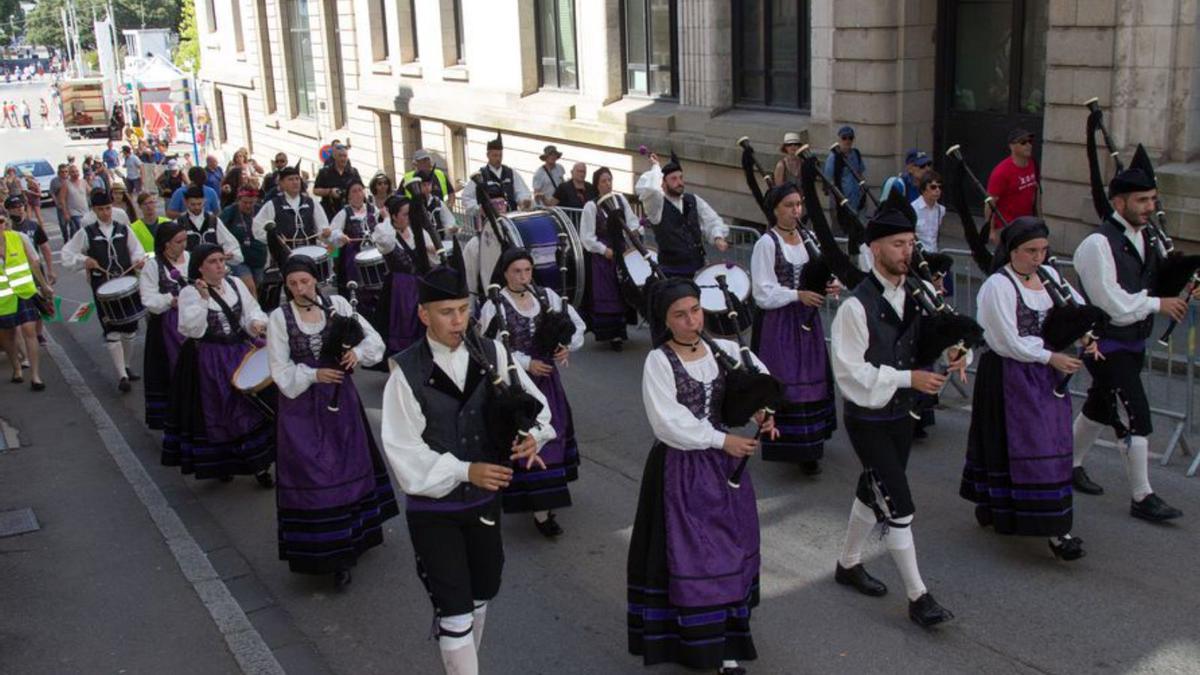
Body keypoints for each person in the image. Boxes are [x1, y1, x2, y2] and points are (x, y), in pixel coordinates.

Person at [379, 265, 553, 675]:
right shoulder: (405, 371)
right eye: (446, 312)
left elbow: (536, 407)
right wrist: (465, 470)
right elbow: (403, 449)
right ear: (424, 315)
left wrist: (534, 436)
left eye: (463, 309)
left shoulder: (492, 352)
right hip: (434, 510)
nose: (459, 321)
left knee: (480, 596)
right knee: (454, 610)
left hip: (484, 503)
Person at [828, 199, 966, 628]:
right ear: (874, 250)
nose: (907, 252)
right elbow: (851, 373)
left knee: (874, 489)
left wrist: (956, 349)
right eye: (897, 244)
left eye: (910, 243)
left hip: (900, 415)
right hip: (868, 418)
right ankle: (918, 597)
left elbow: (929, 340)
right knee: (900, 504)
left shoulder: (915, 294)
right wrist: (910, 380)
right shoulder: (855, 307)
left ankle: (848, 563)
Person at [627, 278, 774, 674]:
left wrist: (765, 410)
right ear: (666, 320)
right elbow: (667, 423)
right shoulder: (659, 361)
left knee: (729, 551)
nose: (692, 320)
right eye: (680, 314)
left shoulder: (725, 350)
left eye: (695, 310)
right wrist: (720, 439)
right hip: (680, 471)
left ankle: (725, 649)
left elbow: (761, 381)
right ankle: (695, 645)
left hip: (725, 469)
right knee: (693, 557)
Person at [1070, 147, 1193, 522]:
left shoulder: (1147, 237)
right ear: (1118, 201)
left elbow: (1156, 280)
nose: (1148, 207)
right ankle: (1142, 496)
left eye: (1152, 199)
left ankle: (1068, 465)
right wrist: (1159, 305)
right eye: (1141, 200)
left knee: (1099, 405)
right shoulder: (1097, 245)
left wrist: (1186, 285)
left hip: (1133, 341)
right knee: (1137, 414)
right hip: (1104, 342)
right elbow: (1113, 303)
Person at [961, 218, 1091, 560]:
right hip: (1009, 373)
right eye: (1031, 251)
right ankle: (1041, 525)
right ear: (1012, 250)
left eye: (1043, 250)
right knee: (1011, 443)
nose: (1039, 257)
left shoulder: (1051, 278)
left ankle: (1052, 524)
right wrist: (1051, 357)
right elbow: (1007, 340)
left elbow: (1077, 311)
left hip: (1045, 376)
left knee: (1049, 443)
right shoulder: (998, 286)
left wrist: (1087, 336)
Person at [266, 255, 398, 587]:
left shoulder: (336, 304)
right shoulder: (279, 319)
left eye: (305, 281)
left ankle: (354, 537)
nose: (300, 288)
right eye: (293, 284)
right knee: (317, 473)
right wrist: (314, 374)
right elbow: (280, 373)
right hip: (301, 409)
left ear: (315, 280)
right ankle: (328, 553)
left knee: (346, 465)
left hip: (342, 402)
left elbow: (374, 342)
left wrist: (356, 354)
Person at [478, 248, 585, 536]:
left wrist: (566, 345)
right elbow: (489, 348)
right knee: (526, 438)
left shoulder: (546, 296)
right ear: (505, 273)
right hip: (515, 386)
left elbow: (576, 325)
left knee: (553, 436)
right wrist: (526, 363)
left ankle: (545, 504)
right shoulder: (495, 305)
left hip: (549, 382)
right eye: (517, 271)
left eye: (527, 270)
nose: (523, 277)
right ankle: (540, 510)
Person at [163, 243, 275, 486]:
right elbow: (191, 329)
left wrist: (255, 323)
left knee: (248, 409)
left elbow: (252, 312)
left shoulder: (235, 284)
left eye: (221, 261)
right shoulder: (189, 293)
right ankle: (223, 464)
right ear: (200, 268)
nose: (220, 266)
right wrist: (203, 300)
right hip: (210, 360)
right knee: (220, 412)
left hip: (239, 354)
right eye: (213, 262)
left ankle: (260, 466)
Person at [751, 183, 839, 475]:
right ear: (775, 209)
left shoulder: (808, 237)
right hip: (781, 323)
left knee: (812, 376)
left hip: (807, 321)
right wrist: (796, 295)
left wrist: (830, 284)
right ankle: (789, 445)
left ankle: (811, 448)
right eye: (789, 205)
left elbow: (820, 271)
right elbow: (762, 293)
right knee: (787, 379)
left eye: (799, 204)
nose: (796, 211)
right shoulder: (766, 243)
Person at [60, 190, 148, 392]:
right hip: (102, 287)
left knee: (130, 328)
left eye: (108, 208)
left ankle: (126, 365)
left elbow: (137, 250)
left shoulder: (123, 229)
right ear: (94, 210)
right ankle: (122, 375)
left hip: (127, 283)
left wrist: (138, 260)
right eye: (101, 209)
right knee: (111, 329)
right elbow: (67, 254)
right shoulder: (87, 232)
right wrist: (84, 260)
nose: (106, 213)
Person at [635, 152, 730, 278]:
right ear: (663, 183)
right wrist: (656, 167)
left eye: (681, 178)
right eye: (673, 179)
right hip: (671, 273)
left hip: (698, 269)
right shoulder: (656, 206)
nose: (679, 182)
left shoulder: (692, 200)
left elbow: (712, 220)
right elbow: (651, 190)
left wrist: (717, 237)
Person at [252, 165, 332, 309]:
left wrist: (325, 232)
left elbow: (322, 226)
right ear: (281, 183)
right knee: (289, 294)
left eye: (297, 179)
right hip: (285, 258)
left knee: (312, 291)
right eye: (290, 179)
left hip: (308, 258)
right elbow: (257, 228)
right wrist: (274, 240)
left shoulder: (310, 202)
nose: (295, 182)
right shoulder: (272, 204)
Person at [578, 167, 641, 349]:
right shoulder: (591, 206)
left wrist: (635, 231)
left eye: (609, 180)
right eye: (603, 181)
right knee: (608, 292)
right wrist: (603, 249)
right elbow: (587, 236)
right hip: (603, 257)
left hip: (621, 251)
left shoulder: (620, 200)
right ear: (597, 184)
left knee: (623, 290)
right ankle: (611, 334)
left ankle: (621, 330)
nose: (607, 184)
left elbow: (631, 220)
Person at [372, 195, 439, 359]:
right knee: (404, 326)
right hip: (400, 289)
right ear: (394, 216)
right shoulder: (385, 232)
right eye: (405, 214)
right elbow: (386, 243)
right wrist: (386, 219)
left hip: (420, 283)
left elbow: (435, 260)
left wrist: (431, 251)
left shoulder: (418, 232)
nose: (409, 218)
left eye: (410, 213)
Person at [138, 222, 190, 429]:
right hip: (166, 330)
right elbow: (148, 299)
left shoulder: (193, 258)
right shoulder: (154, 266)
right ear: (166, 244)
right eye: (179, 241)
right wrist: (170, 299)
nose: (183, 245)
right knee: (171, 372)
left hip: (194, 323)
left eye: (185, 240)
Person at [0, 208, 51, 391]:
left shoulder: (20, 238)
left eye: (2, 221)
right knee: (8, 336)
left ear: (6, 221)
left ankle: (36, 376)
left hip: (25, 293)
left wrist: (44, 285)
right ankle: (16, 367)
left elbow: (34, 262)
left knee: (29, 330)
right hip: (3, 299)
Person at [328, 179, 381, 304]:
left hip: (374, 254)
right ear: (348, 196)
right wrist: (340, 236)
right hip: (353, 257)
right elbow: (332, 234)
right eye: (354, 191)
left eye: (360, 190)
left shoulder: (374, 210)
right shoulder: (344, 213)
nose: (358, 193)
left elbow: (381, 229)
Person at [985, 128, 1040, 245]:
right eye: (1023, 142)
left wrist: (1039, 219)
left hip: (1027, 224)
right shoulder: (1001, 172)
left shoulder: (1033, 163)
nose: (1028, 145)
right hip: (1006, 226)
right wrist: (990, 230)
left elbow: (1036, 192)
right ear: (1012, 146)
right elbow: (990, 203)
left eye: (1030, 141)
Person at [177, 185, 245, 271]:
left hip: (213, 269)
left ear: (204, 201)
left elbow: (229, 242)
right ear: (185, 202)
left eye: (199, 204)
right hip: (189, 269)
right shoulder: (179, 223)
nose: (197, 207)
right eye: (193, 204)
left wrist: (231, 254)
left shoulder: (214, 220)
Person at [461, 133, 532, 215]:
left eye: (500, 155)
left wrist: (523, 200)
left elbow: (521, 192)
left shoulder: (511, 173)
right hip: (490, 221)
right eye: (495, 155)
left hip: (510, 218)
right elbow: (467, 197)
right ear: (488, 155)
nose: (498, 159)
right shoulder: (480, 176)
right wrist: (479, 209)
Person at [221, 186, 268, 293]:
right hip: (239, 257)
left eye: (251, 202)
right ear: (238, 200)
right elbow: (219, 231)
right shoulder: (230, 212)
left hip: (258, 255)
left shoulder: (260, 210)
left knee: (258, 286)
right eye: (245, 202)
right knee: (249, 287)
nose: (248, 205)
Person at [824, 126, 869, 221]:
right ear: (839, 139)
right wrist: (836, 201)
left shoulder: (856, 154)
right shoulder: (833, 158)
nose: (847, 141)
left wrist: (864, 193)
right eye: (844, 138)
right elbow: (828, 181)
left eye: (850, 138)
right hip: (841, 203)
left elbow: (860, 174)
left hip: (857, 201)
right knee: (841, 233)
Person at [314, 143, 362, 219]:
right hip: (330, 213)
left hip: (350, 213)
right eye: (340, 156)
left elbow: (362, 190)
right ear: (334, 156)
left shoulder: (353, 172)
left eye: (345, 156)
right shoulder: (325, 172)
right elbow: (315, 190)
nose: (343, 159)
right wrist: (330, 192)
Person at [912, 172, 945, 253]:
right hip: (917, 256)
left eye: (940, 187)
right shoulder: (913, 208)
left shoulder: (941, 210)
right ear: (923, 189)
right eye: (933, 187)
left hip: (934, 254)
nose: (937, 190)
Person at [417, 171, 457, 238]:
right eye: (424, 185)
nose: (427, 187)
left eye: (429, 184)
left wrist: (451, 228)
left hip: (439, 240)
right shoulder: (414, 204)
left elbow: (448, 220)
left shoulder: (437, 202)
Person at [59, 163, 90, 240]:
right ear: (69, 173)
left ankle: (75, 244)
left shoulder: (83, 182)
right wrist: (65, 213)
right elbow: (62, 199)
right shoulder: (66, 184)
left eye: (77, 171)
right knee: (81, 228)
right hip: (74, 212)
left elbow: (91, 192)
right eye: (73, 172)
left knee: (80, 231)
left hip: (85, 211)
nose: (75, 173)